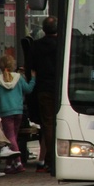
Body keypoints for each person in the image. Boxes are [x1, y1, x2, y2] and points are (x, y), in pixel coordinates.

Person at [0, 53, 33, 174]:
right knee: (13, 137)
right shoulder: (19, 78)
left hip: (4, 112)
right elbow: (28, 89)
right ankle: (10, 165)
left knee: (9, 138)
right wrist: (34, 79)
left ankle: (17, 163)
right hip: (18, 111)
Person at [30, 16, 60, 174]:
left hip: (43, 88)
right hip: (60, 89)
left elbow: (32, 67)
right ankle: (56, 157)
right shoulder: (61, 45)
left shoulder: (36, 46)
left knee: (48, 124)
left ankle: (49, 159)